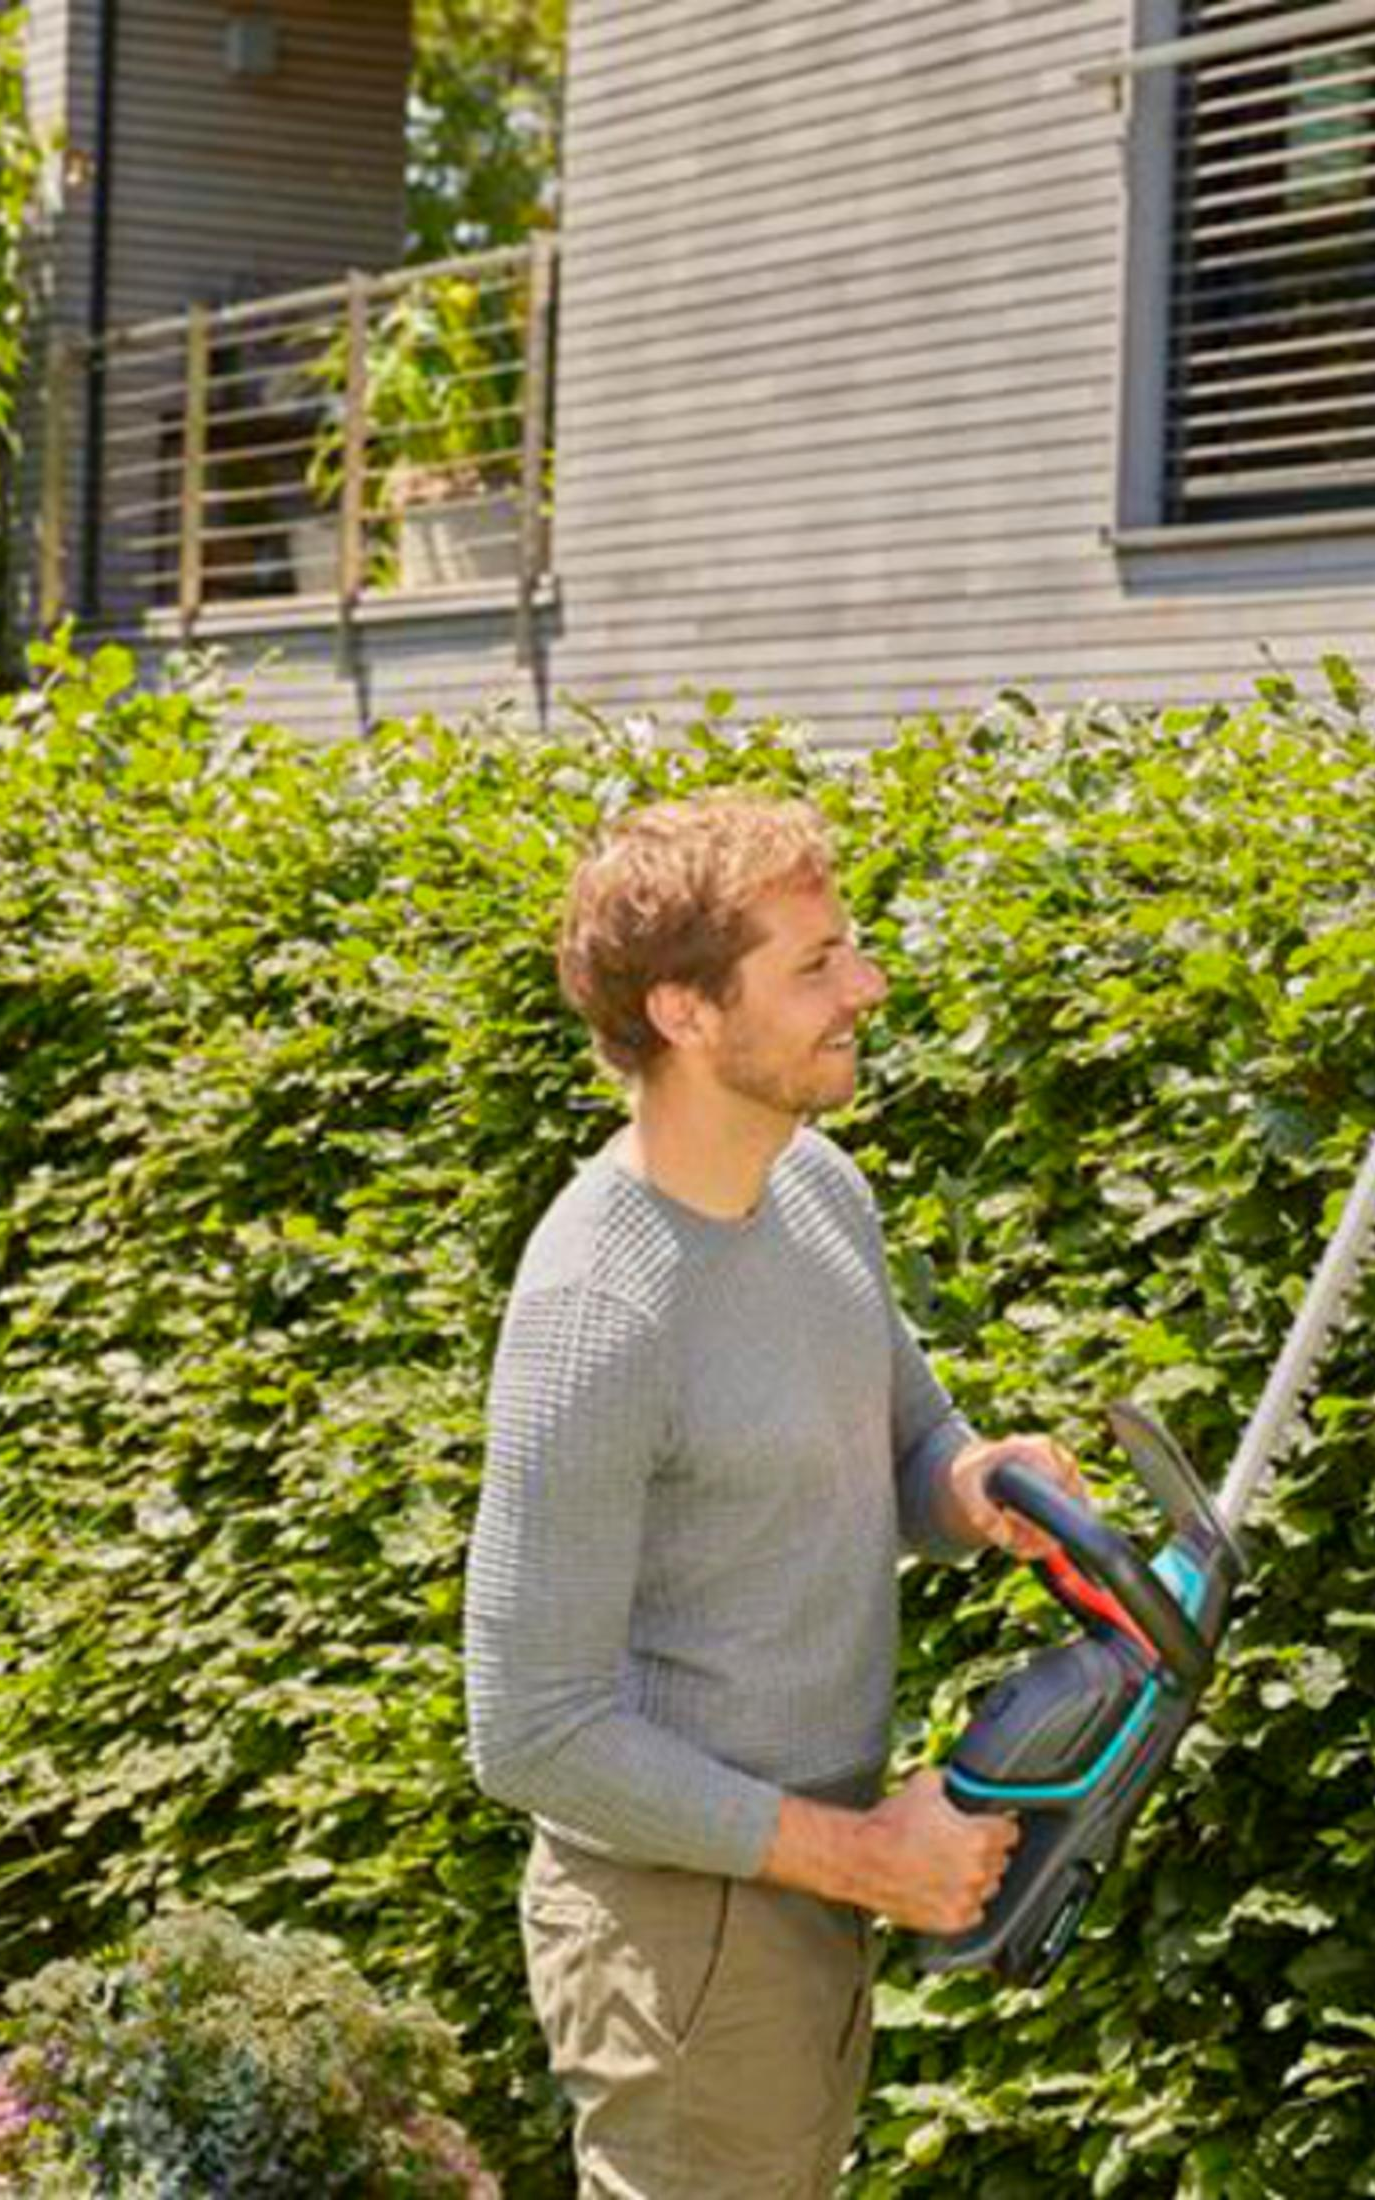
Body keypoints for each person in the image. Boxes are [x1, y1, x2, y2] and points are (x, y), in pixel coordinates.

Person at [463, 792, 1087, 2199]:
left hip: (804, 1895)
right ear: (685, 1011)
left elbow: (904, 1443)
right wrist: (867, 1859)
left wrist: (977, 1480)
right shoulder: (597, 1304)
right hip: (681, 1933)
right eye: (814, 965)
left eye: (850, 947)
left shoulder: (816, 1191)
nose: (863, 986)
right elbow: (531, 1732)